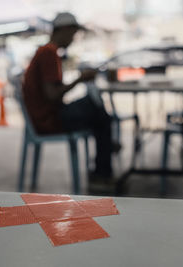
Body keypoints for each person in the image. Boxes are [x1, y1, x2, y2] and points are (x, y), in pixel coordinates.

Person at [22, 12, 115, 190]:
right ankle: (103, 171)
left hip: (46, 115)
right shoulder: (49, 52)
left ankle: (106, 152)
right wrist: (80, 79)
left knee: (95, 108)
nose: (74, 38)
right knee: (98, 112)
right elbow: (52, 95)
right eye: (73, 33)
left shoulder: (47, 51)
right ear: (63, 30)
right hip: (48, 120)